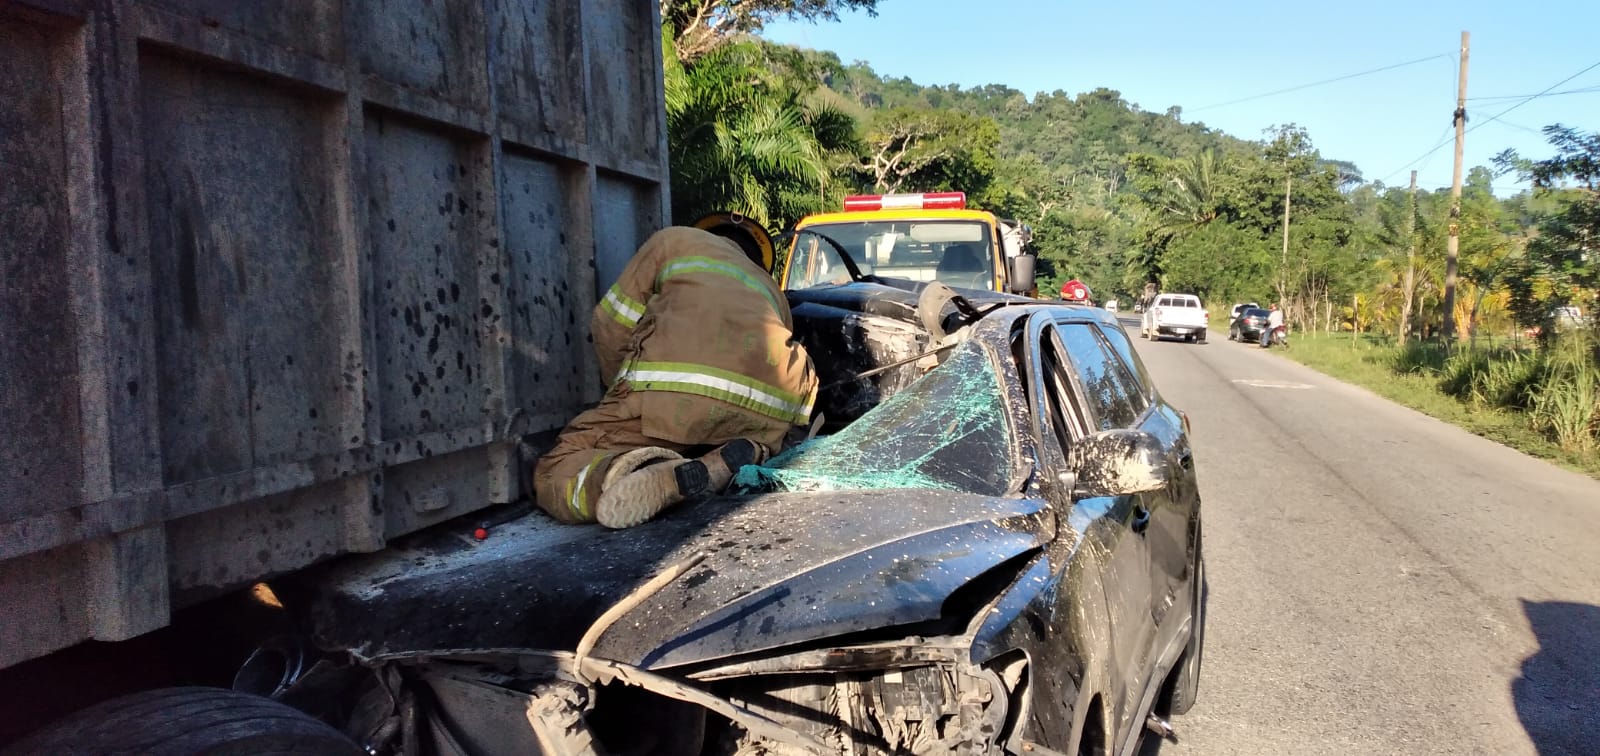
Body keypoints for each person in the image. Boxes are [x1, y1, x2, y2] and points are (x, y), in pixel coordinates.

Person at [531, 226, 817, 529]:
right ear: (757, 259)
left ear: (706, 231)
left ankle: (631, 470)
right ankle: (744, 453)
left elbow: (610, 322)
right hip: (768, 412)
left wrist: (621, 393)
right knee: (708, 430)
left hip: (677, 397)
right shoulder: (771, 287)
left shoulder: (673, 240)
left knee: (555, 466)